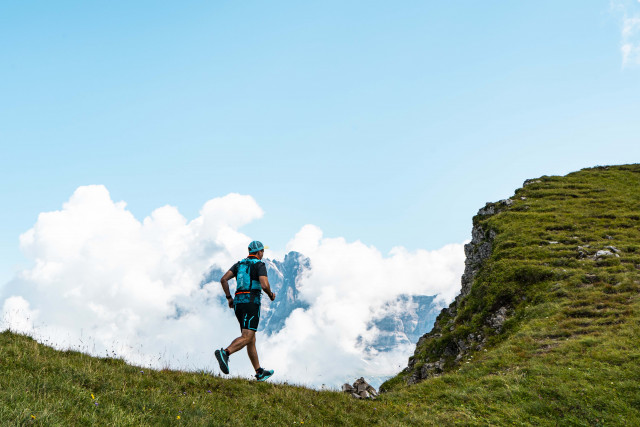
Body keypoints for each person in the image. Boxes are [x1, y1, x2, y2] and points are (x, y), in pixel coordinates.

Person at [215, 240, 276, 381]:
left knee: (251, 338)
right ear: (259, 252)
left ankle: (259, 371)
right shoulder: (259, 265)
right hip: (251, 302)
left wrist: (229, 298)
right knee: (247, 336)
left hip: (238, 303)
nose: (263, 254)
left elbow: (223, 279)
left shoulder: (239, 264)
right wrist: (270, 295)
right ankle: (225, 353)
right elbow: (264, 284)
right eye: (262, 252)